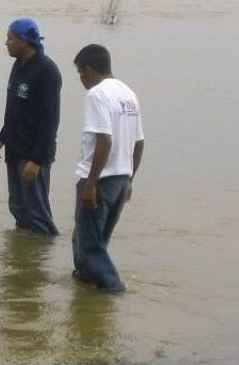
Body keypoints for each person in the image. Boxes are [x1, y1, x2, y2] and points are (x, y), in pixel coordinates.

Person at [71, 44, 144, 292]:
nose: (81, 79)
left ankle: (113, 289)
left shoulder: (97, 94)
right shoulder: (128, 94)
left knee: (89, 246)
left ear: (89, 69)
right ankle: (86, 291)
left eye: (81, 73)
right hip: (120, 179)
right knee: (90, 241)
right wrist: (130, 179)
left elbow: (104, 139)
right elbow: (139, 142)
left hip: (100, 181)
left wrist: (91, 184)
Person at [0, 18, 62, 236]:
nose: (6, 43)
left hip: (32, 155)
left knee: (37, 214)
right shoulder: (18, 66)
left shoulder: (47, 71)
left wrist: (37, 160)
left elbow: (50, 120)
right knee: (19, 209)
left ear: (23, 41)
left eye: (10, 39)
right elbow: (15, 110)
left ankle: (44, 254)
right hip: (15, 149)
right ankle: (24, 258)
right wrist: (0, 140)